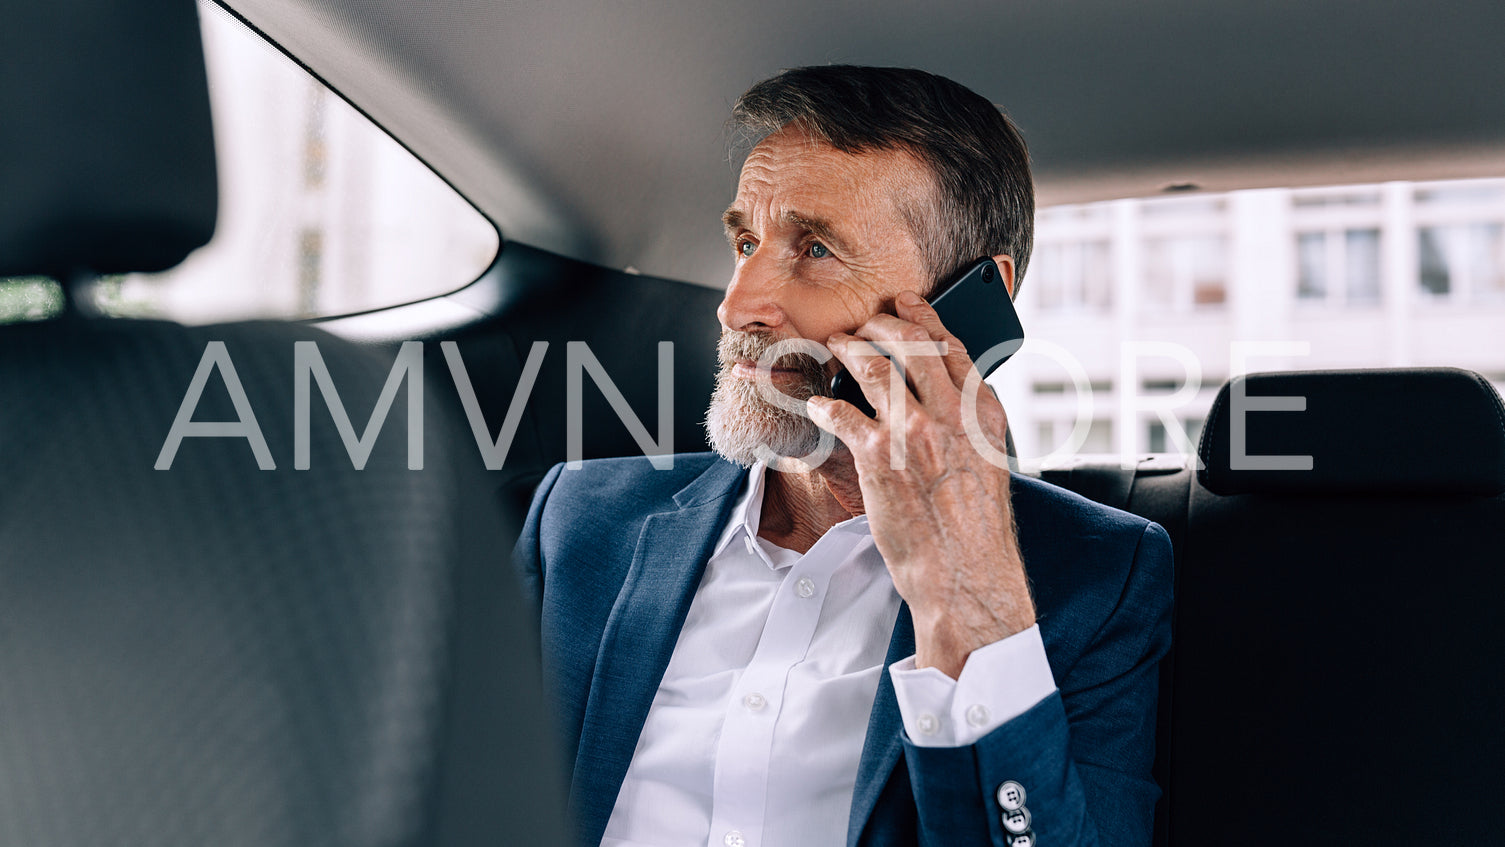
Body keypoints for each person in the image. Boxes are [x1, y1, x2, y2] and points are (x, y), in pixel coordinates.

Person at [516, 65, 1172, 847]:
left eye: (816, 248)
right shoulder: (580, 519)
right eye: (746, 242)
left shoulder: (1095, 578)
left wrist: (965, 596)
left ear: (969, 301)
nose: (736, 305)